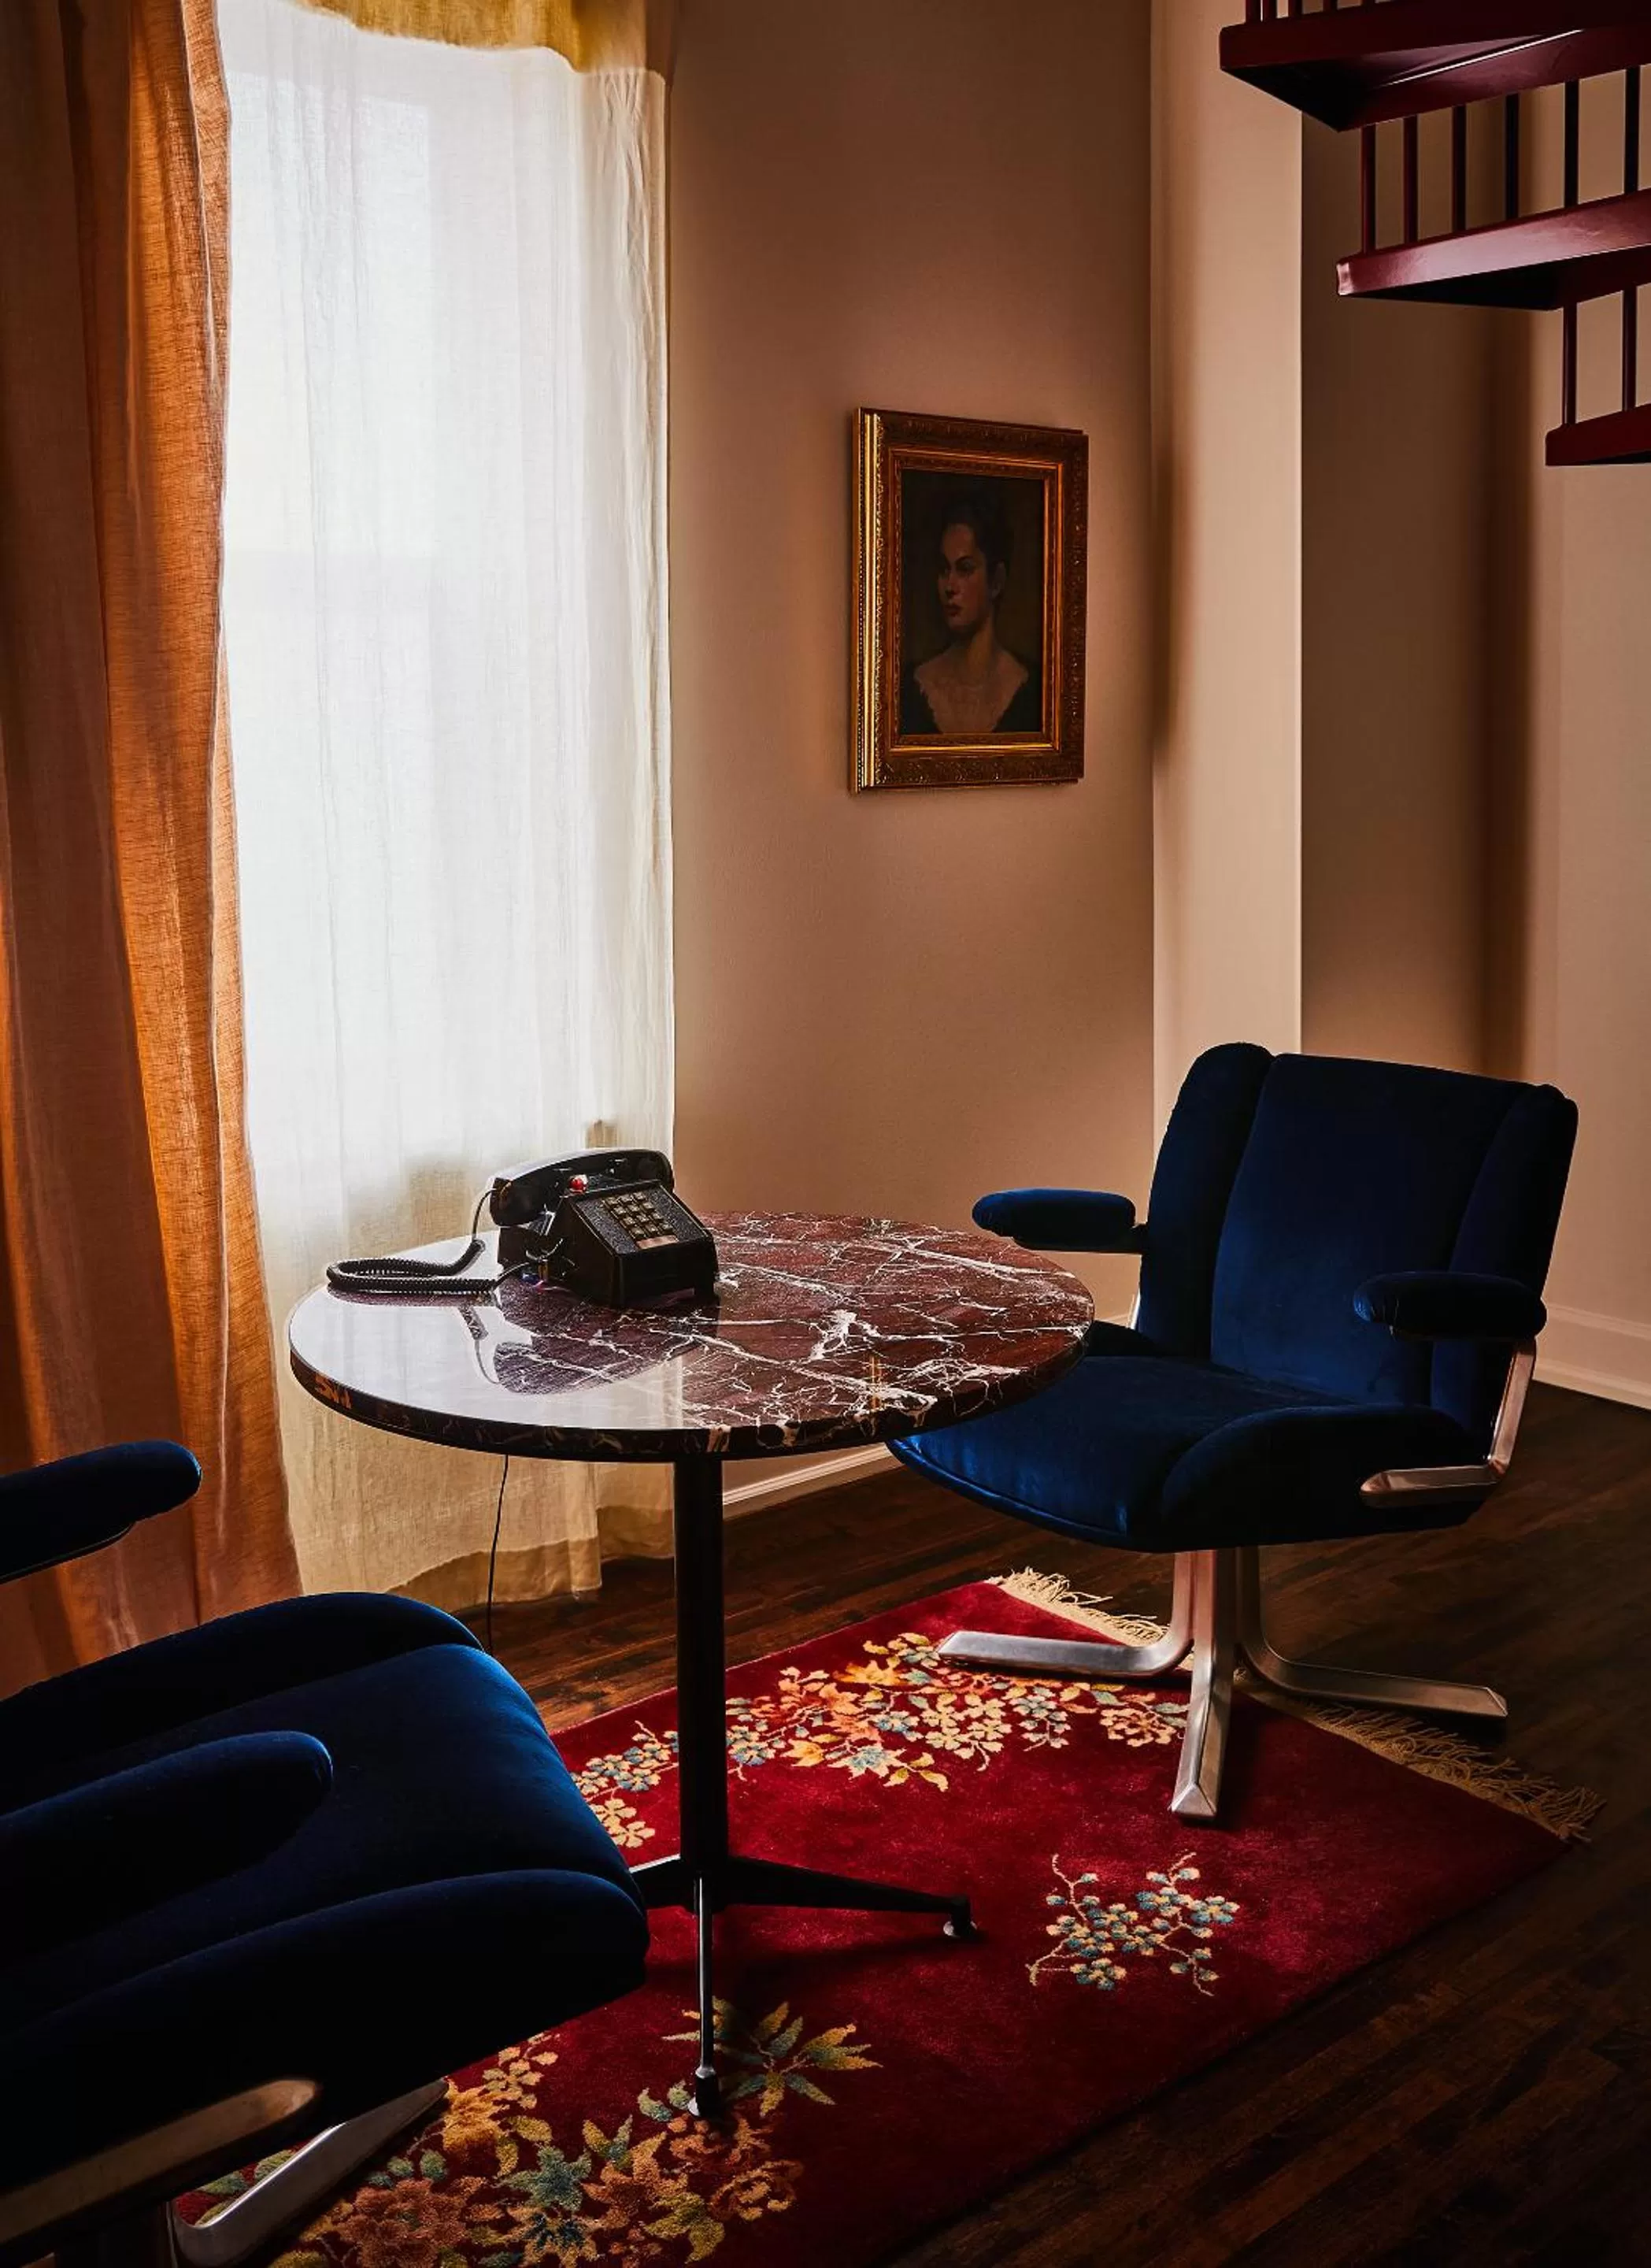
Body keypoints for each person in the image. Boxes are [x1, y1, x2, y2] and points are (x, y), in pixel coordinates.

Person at [900, 490, 1042, 736]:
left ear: (996, 581)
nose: (949, 587)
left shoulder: (1033, 692)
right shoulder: (911, 688)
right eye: (944, 569)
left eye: (965, 569)